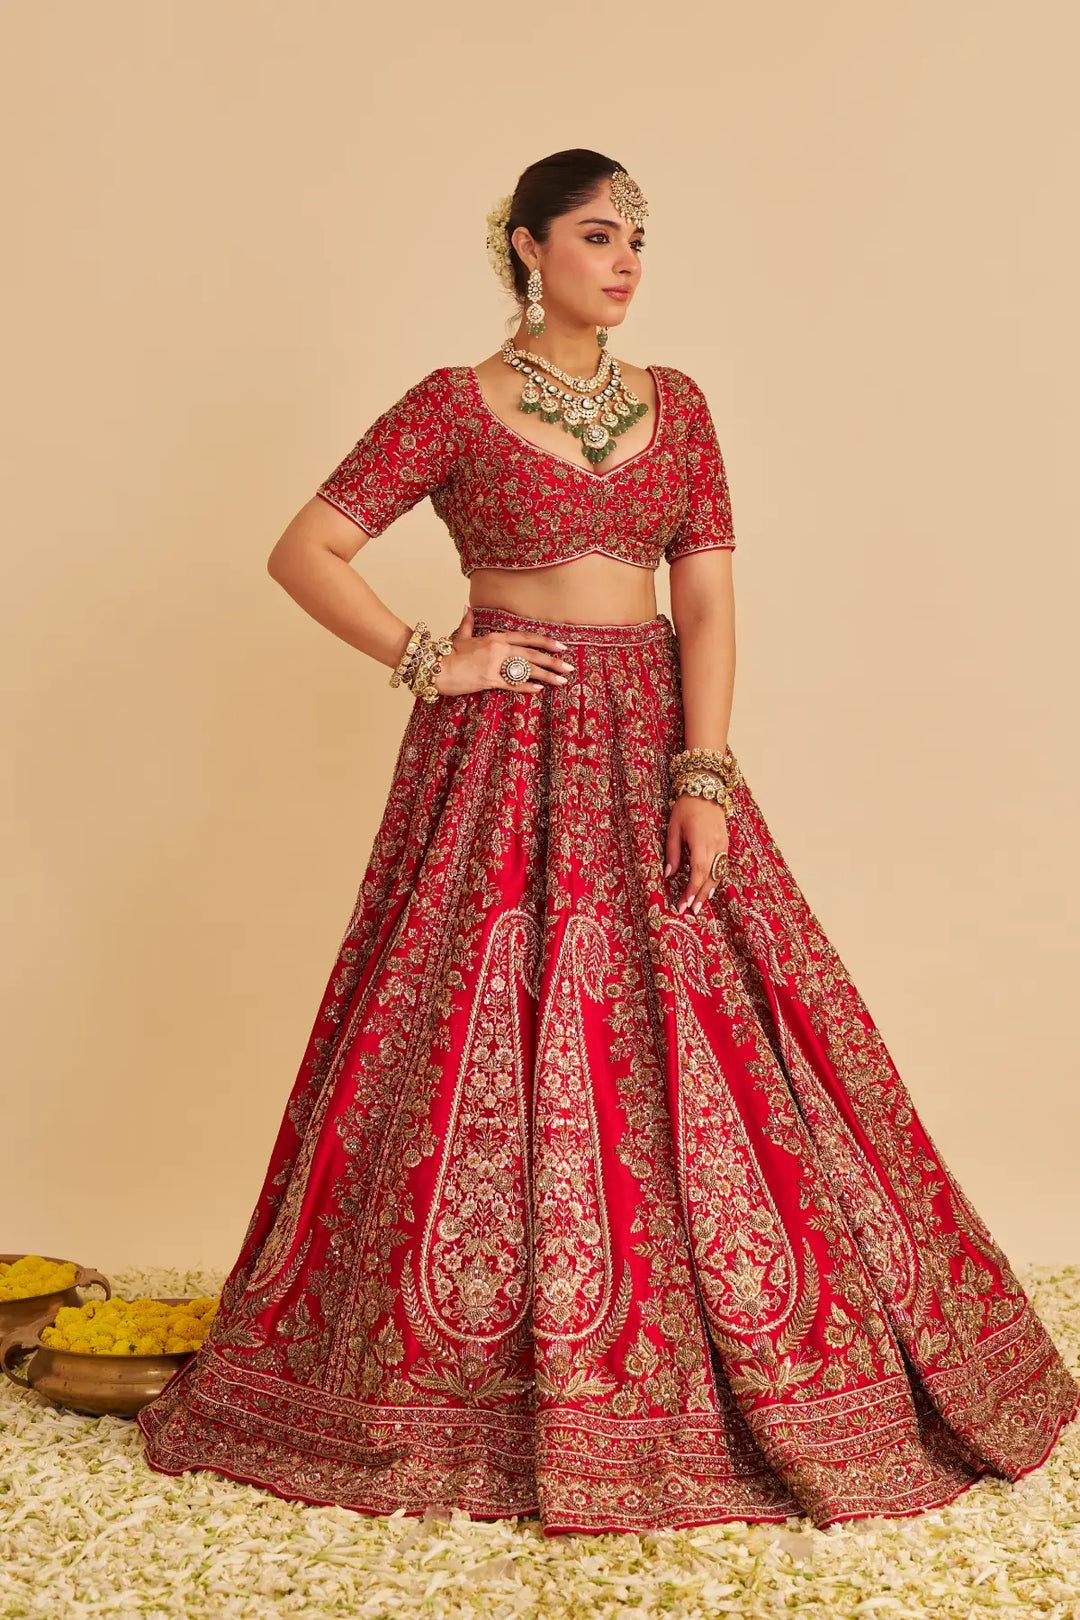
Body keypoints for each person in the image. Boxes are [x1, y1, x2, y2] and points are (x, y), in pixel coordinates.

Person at [136, 148, 1079, 1537]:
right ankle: (456, 1374)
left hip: (651, 742)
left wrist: (703, 770)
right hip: (498, 749)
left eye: (638, 237)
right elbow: (306, 550)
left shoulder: (678, 407)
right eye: (596, 235)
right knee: (462, 1031)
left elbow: (703, 600)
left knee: (722, 1029)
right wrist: (425, 658)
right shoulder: (454, 405)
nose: (626, 260)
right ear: (527, 248)